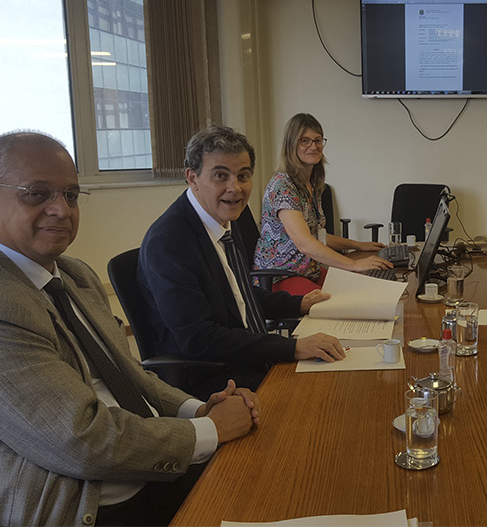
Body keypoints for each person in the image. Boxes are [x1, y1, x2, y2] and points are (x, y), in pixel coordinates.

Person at [0, 131, 259, 526]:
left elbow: (130, 376)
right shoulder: (7, 305)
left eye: (71, 195)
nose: (61, 210)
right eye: (37, 194)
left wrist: (197, 409)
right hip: (95, 505)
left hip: (154, 469)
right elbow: (81, 440)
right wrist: (210, 430)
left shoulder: (75, 275)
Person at [138, 124, 345, 400]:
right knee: (319, 397)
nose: (234, 188)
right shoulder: (169, 242)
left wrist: (298, 304)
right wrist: (291, 348)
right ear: (192, 178)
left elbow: (238, 294)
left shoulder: (223, 218)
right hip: (212, 378)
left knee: (335, 378)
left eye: (243, 176)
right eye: (220, 176)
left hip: (244, 358)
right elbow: (199, 339)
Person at [253, 113, 392, 295]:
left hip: (308, 271)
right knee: (338, 301)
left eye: (318, 140)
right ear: (291, 144)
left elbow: (317, 235)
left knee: (363, 287)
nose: (314, 146)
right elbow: (305, 243)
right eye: (305, 141)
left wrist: (358, 245)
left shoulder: (311, 184)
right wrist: (354, 264)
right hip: (281, 276)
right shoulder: (282, 186)